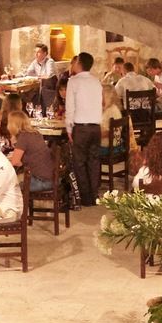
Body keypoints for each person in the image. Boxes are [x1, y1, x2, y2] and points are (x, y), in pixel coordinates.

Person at [65, 50, 103, 206]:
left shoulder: (73, 82)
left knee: (79, 162)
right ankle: (94, 195)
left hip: (81, 127)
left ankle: (85, 198)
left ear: (79, 63)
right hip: (96, 127)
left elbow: (70, 107)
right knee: (94, 161)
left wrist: (68, 128)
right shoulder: (96, 81)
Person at [4, 105, 55, 204]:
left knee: (7, 187)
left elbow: (15, 162)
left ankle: (16, 211)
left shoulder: (23, 137)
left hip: (41, 182)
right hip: (51, 179)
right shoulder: (36, 133)